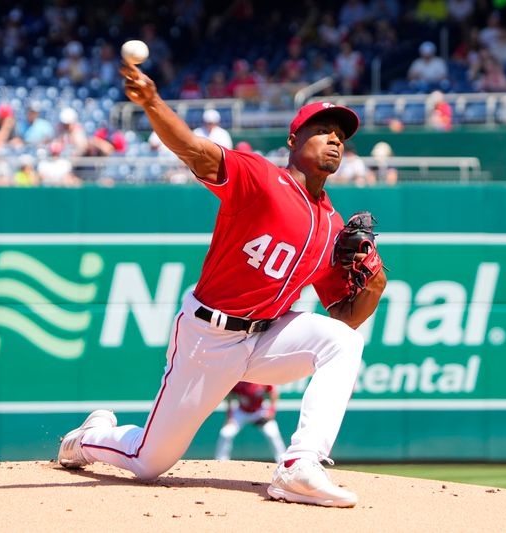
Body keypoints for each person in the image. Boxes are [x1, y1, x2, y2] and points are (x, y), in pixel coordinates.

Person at [57, 60, 387, 509]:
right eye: (322, 129)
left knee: (343, 344)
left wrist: (374, 284)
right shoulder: (260, 178)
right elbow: (194, 150)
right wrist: (153, 103)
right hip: (207, 338)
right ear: (293, 140)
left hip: (267, 337)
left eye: (341, 136)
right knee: (150, 462)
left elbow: (343, 321)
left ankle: (300, 466)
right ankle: (90, 438)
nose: (334, 139)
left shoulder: (332, 225)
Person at [215, 382, 286, 463]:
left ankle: (283, 462)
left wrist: (271, 411)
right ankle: (221, 462)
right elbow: (229, 395)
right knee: (226, 433)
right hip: (241, 412)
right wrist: (230, 416)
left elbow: (274, 393)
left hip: (259, 411)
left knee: (272, 433)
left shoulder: (261, 379)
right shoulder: (240, 381)